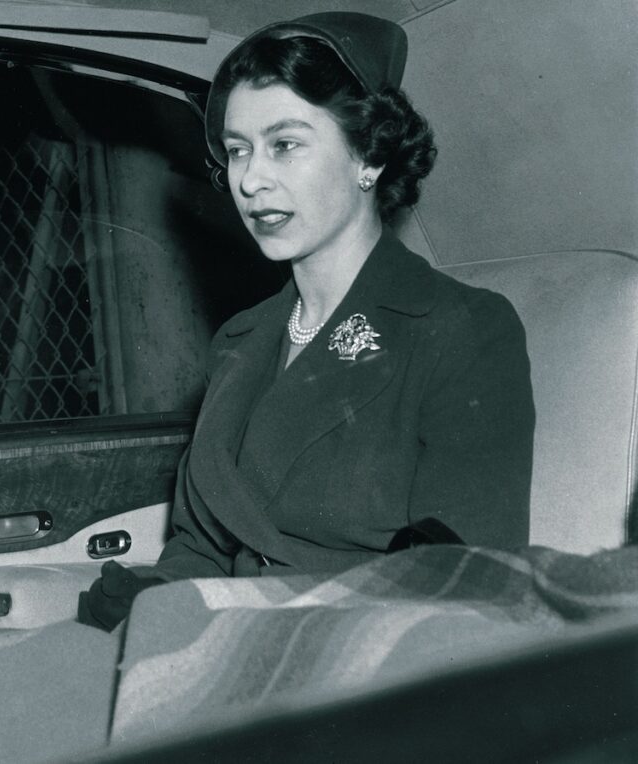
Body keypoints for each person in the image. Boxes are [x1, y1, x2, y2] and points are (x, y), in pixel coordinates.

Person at [77, 11, 535, 630]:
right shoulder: (241, 341)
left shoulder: (460, 329)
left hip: (351, 671)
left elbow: (460, 587)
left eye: (284, 145)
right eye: (238, 151)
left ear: (367, 156)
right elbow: (199, 550)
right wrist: (147, 607)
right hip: (223, 641)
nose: (250, 180)